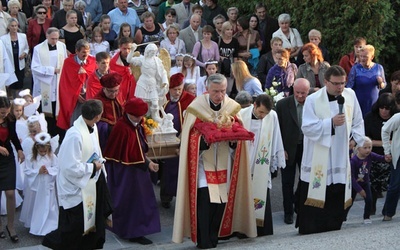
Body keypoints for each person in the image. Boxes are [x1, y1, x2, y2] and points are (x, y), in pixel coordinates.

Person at [172, 73, 257, 248]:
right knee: (205, 201)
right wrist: (204, 141)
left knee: (221, 203)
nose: (220, 95)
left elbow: (238, 136)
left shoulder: (232, 107)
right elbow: (189, 139)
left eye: (223, 91)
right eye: (216, 91)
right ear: (207, 89)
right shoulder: (196, 108)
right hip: (204, 163)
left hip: (224, 161)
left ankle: (214, 235)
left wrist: (233, 140)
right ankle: (203, 240)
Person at [296, 65, 365, 234]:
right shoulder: (313, 100)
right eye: (336, 83)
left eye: (342, 83)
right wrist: (331, 123)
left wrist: (354, 140)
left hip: (341, 152)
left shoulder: (350, 95)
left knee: (338, 187)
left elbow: (358, 121)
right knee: (317, 186)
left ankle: (334, 224)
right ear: (326, 81)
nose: (340, 87)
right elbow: (307, 127)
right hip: (320, 152)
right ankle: (311, 227)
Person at [43, 99, 112, 249]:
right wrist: (93, 167)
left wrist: (99, 164)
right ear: (98, 117)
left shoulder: (92, 127)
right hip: (77, 186)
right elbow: (70, 168)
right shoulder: (74, 135)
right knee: (76, 226)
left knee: (92, 222)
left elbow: (95, 150)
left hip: (91, 181)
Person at [104, 97, 160, 245]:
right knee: (130, 202)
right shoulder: (122, 127)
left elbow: (138, 149)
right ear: (128, 113)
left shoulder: (137, 124)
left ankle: (138, 230)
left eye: (141, 115)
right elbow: (124, 154)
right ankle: (132, 232)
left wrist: (149, 163)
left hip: (137, 169)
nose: (140, 118)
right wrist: (146, 164)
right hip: (125, 172)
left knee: (141, 201)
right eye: (136, 115)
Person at [240, 94, 285, 236]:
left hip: (262, 162)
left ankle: (262, 229)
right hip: (245, 161)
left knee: (262, 193)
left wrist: (278, 156)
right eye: (260, 112)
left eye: (265, 113)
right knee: (244, 195)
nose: (262, 116)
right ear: (254, 105)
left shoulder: (272, 116)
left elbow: (277, 135)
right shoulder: (241, 115)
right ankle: (243, 230)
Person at [276, 78, 310, 224]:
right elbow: (277, 129)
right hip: (288, 148)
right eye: (298, 93)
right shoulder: (283, 104)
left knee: (306, 180)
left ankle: (300, 205)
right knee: (287, 182)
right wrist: (280, 149)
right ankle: (288, 212)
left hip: (306, 148)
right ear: (293, 90)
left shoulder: (312, 103)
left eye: (304, 93)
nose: (301, 96)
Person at [159, 73, 195, 208]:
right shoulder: (163, 98)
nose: (178, 92)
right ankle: (165, 197)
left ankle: (182, 198)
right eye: (175, 89)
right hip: (166, 138)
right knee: (167, 169)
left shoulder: (190, 99)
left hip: (183, 137)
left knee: (183, 170)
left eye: (180, 89)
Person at [31, 27, 67, 137]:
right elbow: (35, 67)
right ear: (47, 36)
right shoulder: (38, 49)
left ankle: (59, 134)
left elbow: (65, 62)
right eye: (52, 39)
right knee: (46, 109)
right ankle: (47, 134)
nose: (55, 41)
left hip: (58, 82)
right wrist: (52, 71)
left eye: (57, 38)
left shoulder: (62, 46)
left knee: (58, 107)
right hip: (45, 83)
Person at [364, 93, 396, 215]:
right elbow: (366, 139)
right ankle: (371, 209)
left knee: (393, 185)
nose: (384, 111)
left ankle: (387, 210)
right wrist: (387, 142)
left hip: (393, 155)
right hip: (374, 154)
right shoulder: (370, 117)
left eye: (387, 108)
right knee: (371, 185)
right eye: (381, 107)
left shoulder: (396, 118)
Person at [344, 136, 387, 224]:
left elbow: (380, 158)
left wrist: (386, 158)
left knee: (369, 200)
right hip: (355, 184)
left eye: (369, 147)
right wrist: (359, 190)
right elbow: (351, 177)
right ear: (358, 148)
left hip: (365, 182)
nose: (368, 150)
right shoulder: (354, 161)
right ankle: (343, 217)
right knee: (349, 202)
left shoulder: (370, 156)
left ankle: (366, 217)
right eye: (365, 148)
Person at [23, 132, 59, 236]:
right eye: (41, 150)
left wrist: (49, 170)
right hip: (37, 187)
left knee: (50, 205)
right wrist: (37, 171)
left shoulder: (52, 157)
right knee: (36, 206)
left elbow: (57, 167)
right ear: (37, 148)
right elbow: (28, 170)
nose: (43, 152)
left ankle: (51, 225)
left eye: (45, 151)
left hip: (48, 186)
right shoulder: (31, 158)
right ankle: (36, 224)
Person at [57, 39, 96, 131]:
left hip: (88, 96)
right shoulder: (68, 62)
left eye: (87, 52)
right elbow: (65, 83)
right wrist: (75, 95)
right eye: (83, 52)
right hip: (74, 98)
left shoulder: (93, 61)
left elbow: (95, 80)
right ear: (76, 51)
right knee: (75, 122)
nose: (86, 55)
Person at [0, 96, 24, 243]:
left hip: (7, 157)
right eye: (2, 112)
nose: (5, 115)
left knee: (10, 192)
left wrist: (20, 150)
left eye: (6, 112)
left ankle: (11, 226)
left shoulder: (10, 119)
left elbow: (13, 136)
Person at [127, 42, 169, 123]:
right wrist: (132, 50)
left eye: (154, 52)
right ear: (147, 51)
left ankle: (155, 116)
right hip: (143, 82)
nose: (152, 53)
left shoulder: (157, 61)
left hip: (153, 83)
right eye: (151, 52)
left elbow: (163, 72)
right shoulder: (142, 59)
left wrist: (165, 82)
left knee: (155, 103)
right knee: (142, 103)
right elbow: (129, 60)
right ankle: (143, 118)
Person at [347, 44, 386, 117]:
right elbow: (349, 87)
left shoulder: (379, 68)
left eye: (365, 56)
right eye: (361, 56)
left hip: (374, 103)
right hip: (359, 102)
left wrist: (381, 83)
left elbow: (384, 85)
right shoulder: (355, 69)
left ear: (372, 57)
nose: (362, 59)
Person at [94, 72, 123, 150]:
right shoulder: (98, 101)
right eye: (110, 91)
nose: (114, 94)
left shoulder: (119, 95)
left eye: (116, 90)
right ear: (104, 88)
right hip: (106, 134)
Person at [0, 18, 29, 98]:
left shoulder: (23, 36)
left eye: (15, 26)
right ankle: (10, 99)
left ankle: (18, 99)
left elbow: (27, 48)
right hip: (9, 64)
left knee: (19, 83)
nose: (14, 28)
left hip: (20, 63)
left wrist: (25, 53)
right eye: (12, 26)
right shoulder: (3, 38)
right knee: (10, 84)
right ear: (8, 27)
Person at [109, 37, 136, 104]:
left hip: (133, 89)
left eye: (129, 49)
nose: (127, 51)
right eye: (124, 48)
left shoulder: (137, 60)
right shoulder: (114, 62)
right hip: (120, 91)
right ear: (120, 47)